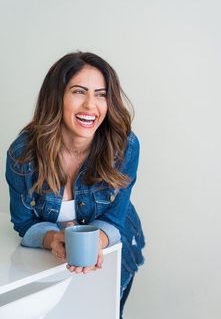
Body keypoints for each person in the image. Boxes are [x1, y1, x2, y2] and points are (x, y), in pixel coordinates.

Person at [5, 51, 145, 318]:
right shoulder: (23, 155)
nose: (91, 105)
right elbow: (23, 223)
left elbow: (116, 218)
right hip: (51, 262)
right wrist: (53, 238)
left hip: (116, 251)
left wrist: (94, 245)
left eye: (101, 94)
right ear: (56, 97)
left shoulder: (124, 146)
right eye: (79, 92)